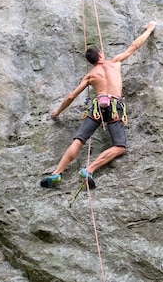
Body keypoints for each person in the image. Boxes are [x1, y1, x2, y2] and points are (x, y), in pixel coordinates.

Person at [40, 22, 156, 189]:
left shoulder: (90, 75)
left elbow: (72, 96)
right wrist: (150, 29)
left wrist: (57, 112)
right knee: (119, 146)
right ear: (101, 54)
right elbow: (134, 45)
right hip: (115, 106)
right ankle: (89, 170)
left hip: (97, 106)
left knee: (79, 140)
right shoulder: (115, 62)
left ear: (90, 61)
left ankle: (57, 173)